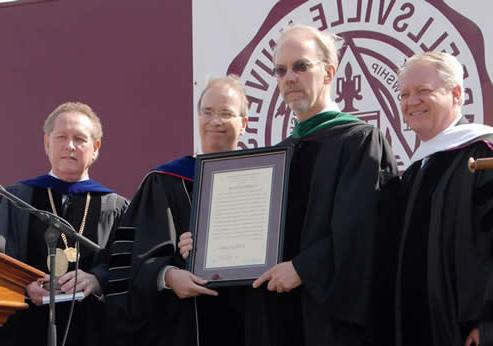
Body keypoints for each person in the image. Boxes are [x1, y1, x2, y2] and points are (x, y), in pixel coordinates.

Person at [243, 24, 397, 346]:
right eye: (281, 70)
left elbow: (363, 228)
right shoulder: (279, 154)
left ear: (328, 72)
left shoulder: (359, 141)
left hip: (330, 323)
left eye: (301, 66)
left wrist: (304, 269)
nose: (289, 78)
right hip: (278, 314)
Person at [104, 75, 248, 346]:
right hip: (182, 326)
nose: (215, 120)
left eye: (226, 113)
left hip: (249, 321)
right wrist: (167, 275)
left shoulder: (262, 180)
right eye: (207, 112)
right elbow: (132, 260)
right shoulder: (164, 181)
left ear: (244, 124)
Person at [0, 102, 128, 346]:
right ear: (47, 143)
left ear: (96, 147)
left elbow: (128, 264)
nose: (70, 146)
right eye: (61, 137)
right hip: (23, 329)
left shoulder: (116, 207)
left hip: (93, 328)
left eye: (80, 139)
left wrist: (97, 279)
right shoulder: (13, 199)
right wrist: (24, 286)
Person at [395, 51, 493, 346]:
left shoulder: (482, 157)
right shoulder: (414, 172)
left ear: (456, 94)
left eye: (424, 91)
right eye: (404, 94)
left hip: (464, 330)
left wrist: (488, 324)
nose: (412, 101)